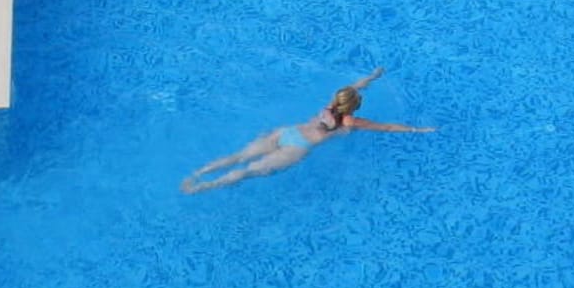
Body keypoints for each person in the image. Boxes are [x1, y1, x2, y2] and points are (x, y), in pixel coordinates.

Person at [180, 67, 436, 193]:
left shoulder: (332, 102)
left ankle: (198, 173)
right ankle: (203, 187)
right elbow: (386, 127)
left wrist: (372, 76)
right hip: (297, 147)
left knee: (239, 156)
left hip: (287, 132)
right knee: (248, 171)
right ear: (353, 107)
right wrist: (417, 130)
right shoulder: (349, 121)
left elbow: (354, 87)